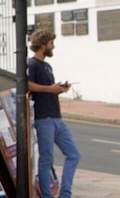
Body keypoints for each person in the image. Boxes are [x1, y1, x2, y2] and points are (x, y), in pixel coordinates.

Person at [28, 29, 80, 198]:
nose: (53, 46)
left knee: (74, 154)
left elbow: (49, 90)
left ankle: (65, 193)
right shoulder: (32, 64)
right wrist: (49, 89)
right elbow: (28, 85)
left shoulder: (47, 66)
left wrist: (58, 89)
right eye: (51, 43)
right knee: (46, 160)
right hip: (43, 118)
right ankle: (47, 195)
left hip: (57, 117)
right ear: (43, 45)